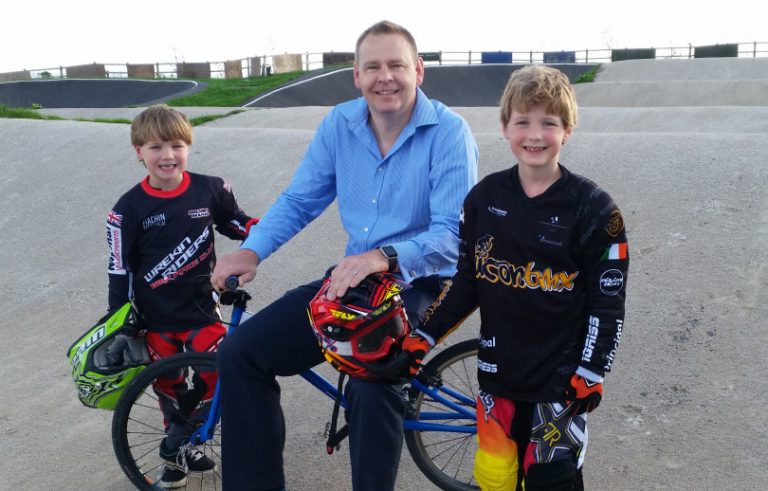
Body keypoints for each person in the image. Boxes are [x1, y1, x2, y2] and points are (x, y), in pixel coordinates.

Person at [210, 20, 479, 491]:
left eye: (396, 65)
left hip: (426, 282)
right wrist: (251, 252)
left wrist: (385, 256)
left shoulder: (449, 133)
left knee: (373, 379)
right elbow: (300, 200)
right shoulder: (340, 124)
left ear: (418, 70)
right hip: (356, 281)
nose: (385, 77)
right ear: (356, 76)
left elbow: (450, 237)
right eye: (372, 67)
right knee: (240, 352)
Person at [406, 65, 630, 490]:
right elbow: (468, 280)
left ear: (567, 130)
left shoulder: (597, 210)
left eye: (549, 122)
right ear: (505, 126)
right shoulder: (483, 199)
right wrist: (425, 334)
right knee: (493, 477)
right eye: (523, 120)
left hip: (561, 386)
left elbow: (608, 303)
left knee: (551, 480)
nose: (534, 134)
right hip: (497, 378)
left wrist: (593, 370)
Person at [106, 104, 257, 488]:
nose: (167, 155)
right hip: (155, 321)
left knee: (219, 374)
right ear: (138, 151)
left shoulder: (211, 188)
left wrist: (262, 233)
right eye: (155, 147)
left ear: (188, 147)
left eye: (175, 145)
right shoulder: (126, 210)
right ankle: (178, 460)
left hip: (203, 312)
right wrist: (120, 323)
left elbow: (236, 222)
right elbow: (119, 269)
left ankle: (175, 443)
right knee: (169, 389)